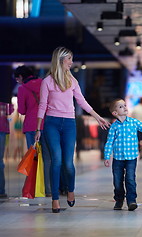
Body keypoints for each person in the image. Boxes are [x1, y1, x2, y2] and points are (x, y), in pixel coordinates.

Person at [35, 46, 110, 213]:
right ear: (61, 60)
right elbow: (42, 105)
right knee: (56, 161)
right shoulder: (47, 81)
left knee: (68, 164)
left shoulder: (73, 81)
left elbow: (82, 102)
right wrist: (38, 128)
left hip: (69, 123)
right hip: (51, 124)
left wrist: (98, 117)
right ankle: (55, 199)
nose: (71, 62)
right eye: (69, 59)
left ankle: (70, 190)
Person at [104, 98, 142, 211]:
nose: (124, 107)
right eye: (121, 106)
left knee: (130, 179)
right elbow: (109, 142)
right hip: (118, 158)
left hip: (131, 157)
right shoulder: (114, 127)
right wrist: (107, 156)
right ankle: (119, 200)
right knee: (117, 180)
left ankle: (131, 200)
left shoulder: (134, 122)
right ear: (115, 113)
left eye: (124, 105)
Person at [14, 65, 52, 197]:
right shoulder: (43, 83)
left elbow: (22, 110)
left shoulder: (22, 88)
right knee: (47, 158)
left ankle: (35, 189)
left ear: (20, 77)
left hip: (31, 126)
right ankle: (48, 189)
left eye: (17, 79)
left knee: (33, 158)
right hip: (47, 124)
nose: (17, 81)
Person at [0, 102, 14, 198]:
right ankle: (1, 190)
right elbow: (10, 110)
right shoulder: (4, 97)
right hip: (2, 129)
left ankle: (1, 190)